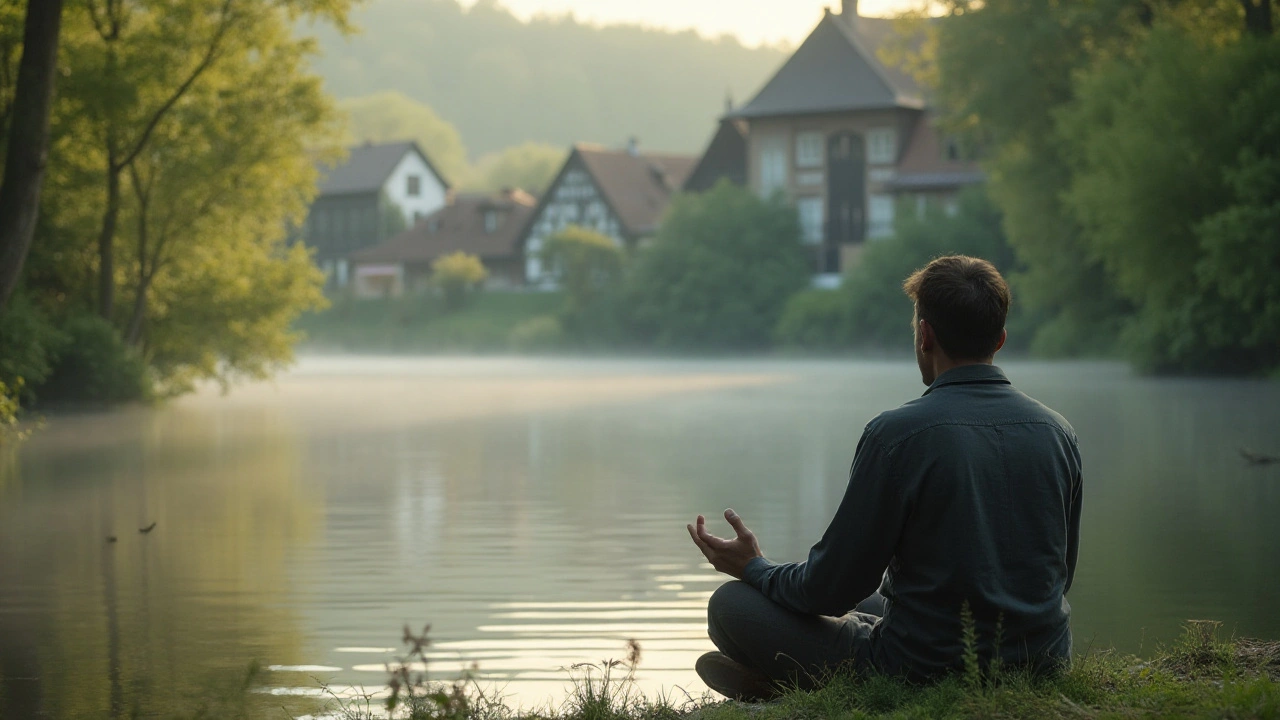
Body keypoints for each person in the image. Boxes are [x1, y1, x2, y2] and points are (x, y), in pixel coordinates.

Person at [687, 255, 1083, 701]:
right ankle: (785, 675)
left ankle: (778, 686)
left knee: (731, 607)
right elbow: (1059, 574)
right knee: (869, 603)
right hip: (1041, 660)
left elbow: (830, 588)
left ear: (924, 334)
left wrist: (755, 568)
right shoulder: (1058, 432)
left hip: (920, 669)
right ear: (1001, 339)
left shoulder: (897, 435)